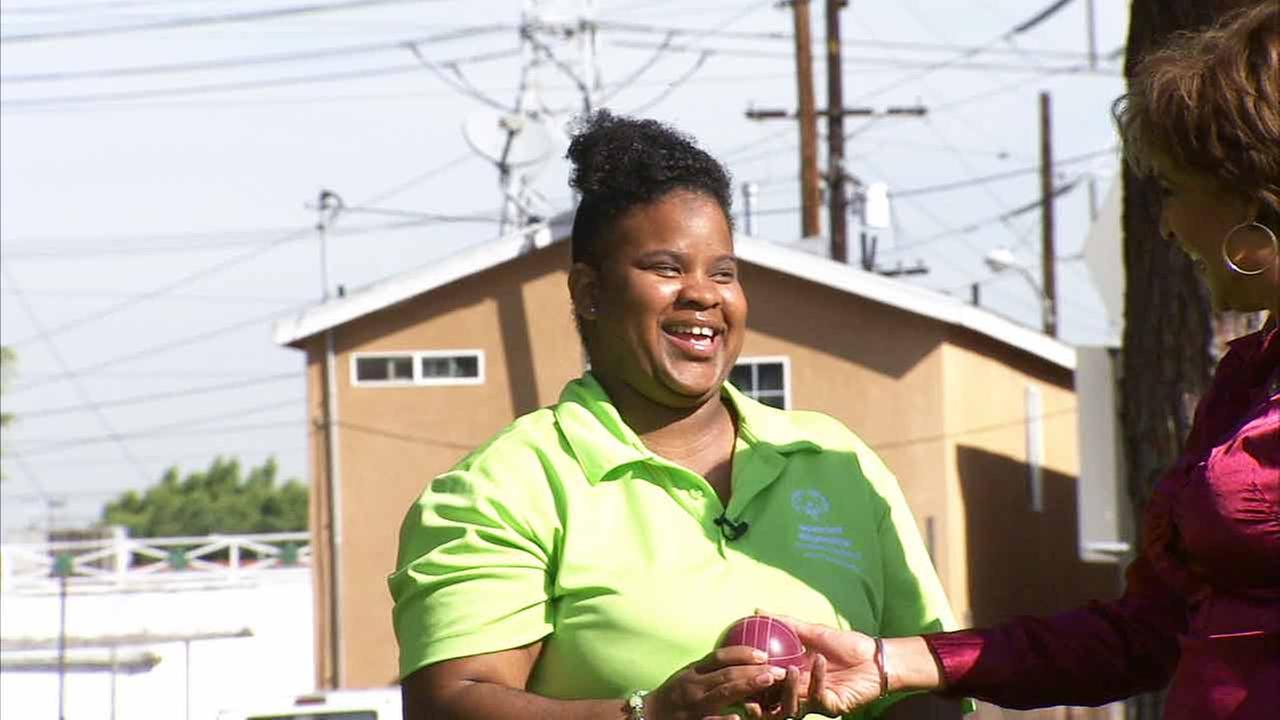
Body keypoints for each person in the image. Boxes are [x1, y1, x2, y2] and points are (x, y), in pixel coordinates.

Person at [771, 5, 1280, 720]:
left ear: (1251, 200)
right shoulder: (1245, 384)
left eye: (1175, 190)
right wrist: (903, 660)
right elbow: (1149, 632)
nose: (1167, 224)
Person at [388, 110, 964, 719]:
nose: (704, 293)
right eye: (666, 268)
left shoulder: (836, 461)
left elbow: (928, 680)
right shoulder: (507, 486)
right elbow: (449, 704)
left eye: (724, 272)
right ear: (589, 293)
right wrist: (653, 714)